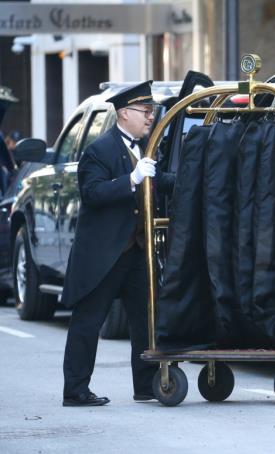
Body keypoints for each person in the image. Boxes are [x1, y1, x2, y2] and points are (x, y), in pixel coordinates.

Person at [62, 81, 175, 407]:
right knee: (88, 321)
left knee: (144, 321)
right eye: (145, 111)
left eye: (152, 112)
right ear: (124, 113)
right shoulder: (99, 150)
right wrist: (131, 180)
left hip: (136, 251)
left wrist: (191, 183)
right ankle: (76, 390)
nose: (150, 117)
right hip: (104, 254)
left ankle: (145, 385)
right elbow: (93, 193)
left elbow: (159, 182)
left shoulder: (145, 147)